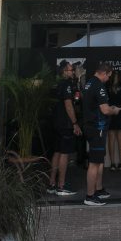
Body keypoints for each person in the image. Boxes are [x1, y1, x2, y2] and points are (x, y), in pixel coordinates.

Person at [82, 62, 121, 206]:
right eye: (108, 76)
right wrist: (114, 110)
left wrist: (108, 108)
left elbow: (96, 106)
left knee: (99, 160)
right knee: (94, 163)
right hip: (96, 128)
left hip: (93, 127)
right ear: (104, 73)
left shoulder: (89, 83)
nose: (108, 79)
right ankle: (90, 196)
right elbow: (105, 110)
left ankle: (98, 189)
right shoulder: (99, 85)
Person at [48, 60, 81, 197]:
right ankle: (61, 186)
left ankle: (52, 183)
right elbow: (68, 105)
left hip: (56, 123)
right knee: (64, 153)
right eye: (70, 70)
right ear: (63, 72)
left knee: (57, 151)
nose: (72, 72)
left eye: (73, 70)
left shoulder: (58, 84)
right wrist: (75, 123)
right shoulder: (66, 84)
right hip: (65, 124)